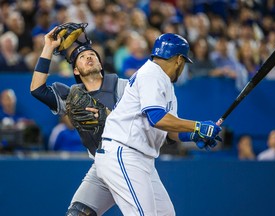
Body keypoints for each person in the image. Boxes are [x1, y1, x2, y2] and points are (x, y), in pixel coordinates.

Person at [95, 33, 222, 215]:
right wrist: (197, 126)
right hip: (124, 152)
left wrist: (195, 135)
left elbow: (171, 132)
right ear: (179, 60)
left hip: (141, 158)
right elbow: (157, 118)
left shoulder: (165, 83)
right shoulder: (152, 73)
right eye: (184, 62)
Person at [30, 26, 128, 215]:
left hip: (130, 162)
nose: (88, 57)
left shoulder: (123, 86)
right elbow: (37, 90)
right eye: (82, 57)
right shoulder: (74, 97)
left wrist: (110, 116)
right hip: (101, 168)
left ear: (100, 64)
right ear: (75, 69)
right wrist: (48, 47)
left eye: (92, 55)